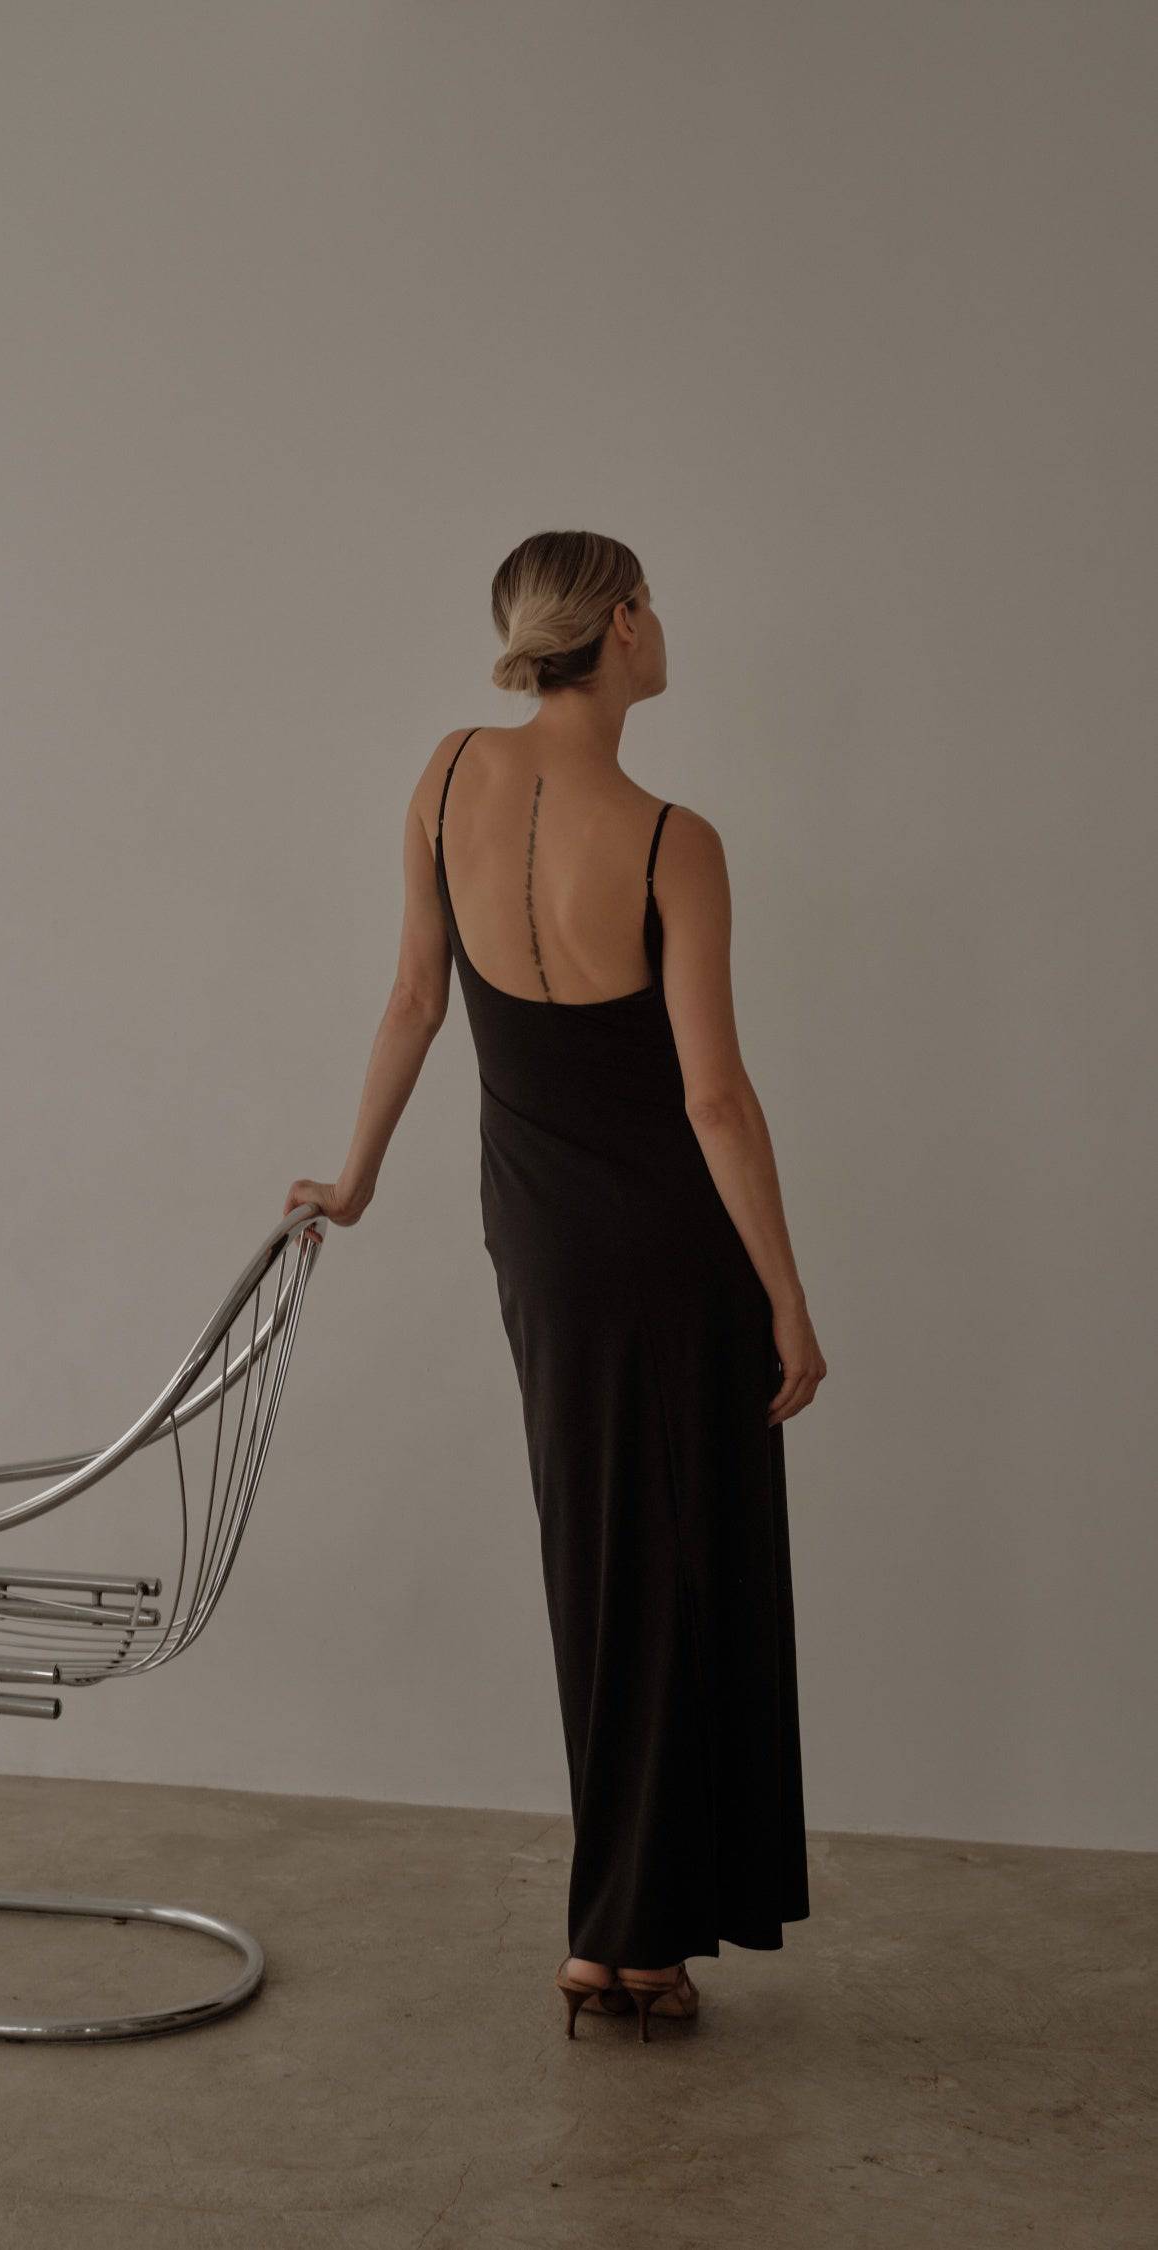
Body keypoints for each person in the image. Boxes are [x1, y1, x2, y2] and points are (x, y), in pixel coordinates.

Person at [285, 528, 825, 2042]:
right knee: (680, 1566)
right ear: (626, 623)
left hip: (534, 1235)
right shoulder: (672, 840)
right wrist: (787, 1295)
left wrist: (357, 1175)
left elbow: (415, 995)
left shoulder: (450, 770)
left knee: (599, 1555)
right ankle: (632, 1941)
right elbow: (714, 1098)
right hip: (673, 1247)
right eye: (659, 605)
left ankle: (620, 1928)